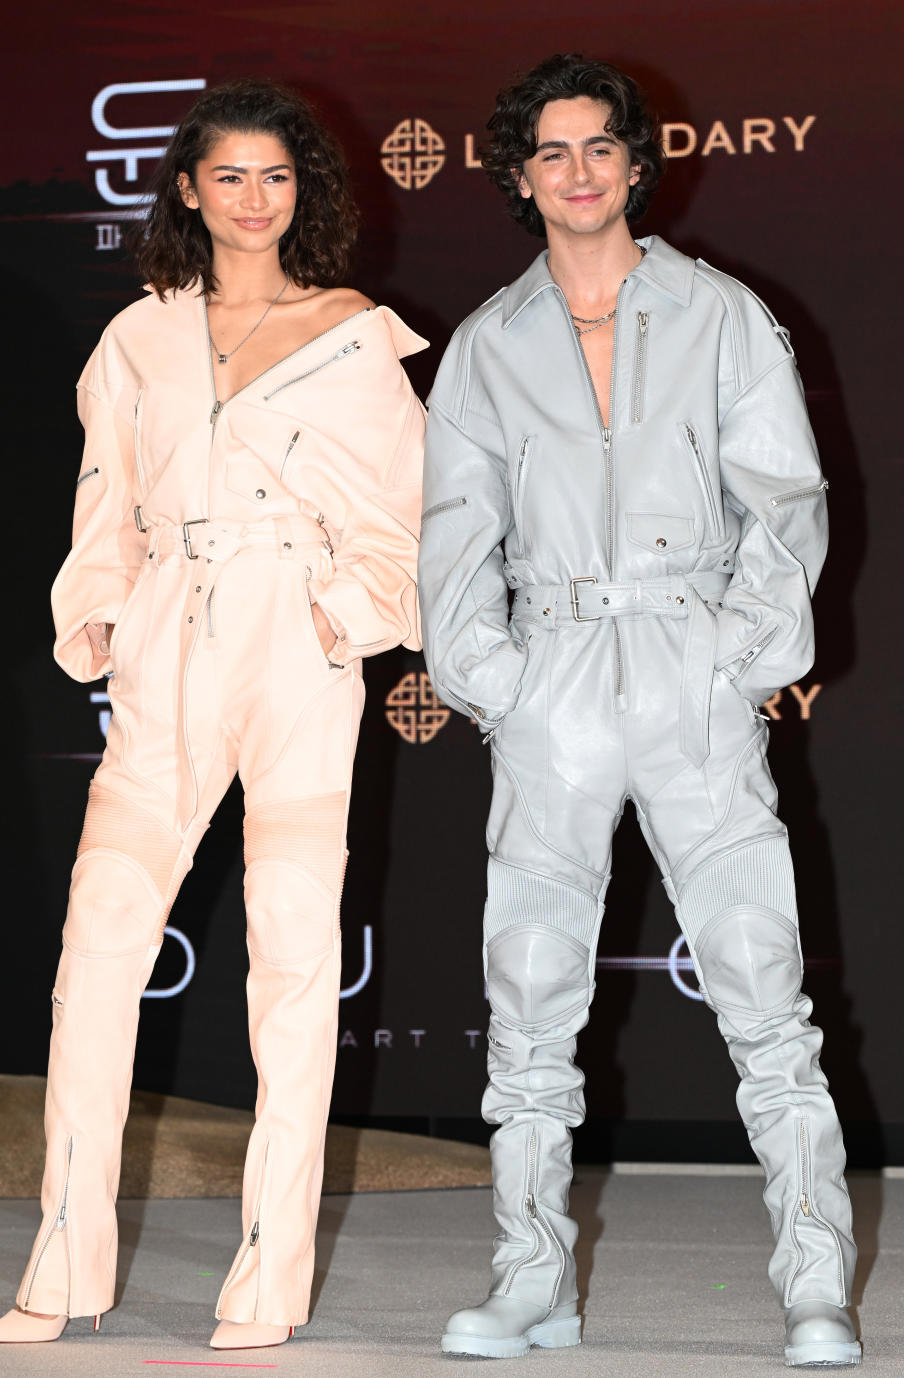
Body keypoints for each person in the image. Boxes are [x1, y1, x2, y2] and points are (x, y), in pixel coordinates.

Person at [418, 54, 860, 1368]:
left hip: (690, 668)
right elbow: (452, 537)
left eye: (596, 146)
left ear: (631, 160)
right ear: (519, 174)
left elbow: (788, 500)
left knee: (763, 985)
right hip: (553, 672)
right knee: (532, 990)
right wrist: (496, 680)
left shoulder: (720, 313)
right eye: (549, 152)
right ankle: (530, 1277)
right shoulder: (490, 345)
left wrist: (736, 652)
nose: (577, 170)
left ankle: (815, 1281)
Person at [0, 79, 426, 1350]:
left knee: (290, 962)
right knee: (96, 955)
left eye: (275, 177)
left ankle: (269, 1285)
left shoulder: (354, 334)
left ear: (304, 194)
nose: (252, 198)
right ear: (186, 187)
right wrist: (106, 615)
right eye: (228, 175)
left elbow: (403, 509)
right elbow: (102, 498)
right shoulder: (138, 340)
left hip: (298, 641)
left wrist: (345, 612)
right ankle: (60, 1269)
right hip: (170, 637)